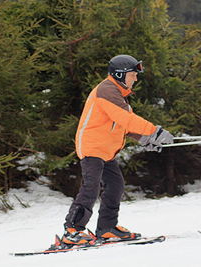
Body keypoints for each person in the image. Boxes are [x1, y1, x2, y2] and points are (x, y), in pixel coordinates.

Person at [61, 55, 173, 245]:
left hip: (105, 150)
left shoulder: (117, 94)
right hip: (92, 147)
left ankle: (106, 228)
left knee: (116, 186)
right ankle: (73, 231)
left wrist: (145, 139)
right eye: (132, 75)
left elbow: (124, 126)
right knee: (91, 188)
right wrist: (155, 131)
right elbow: (126, 119)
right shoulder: (107, 90)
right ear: (120, 75)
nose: (135, 79)